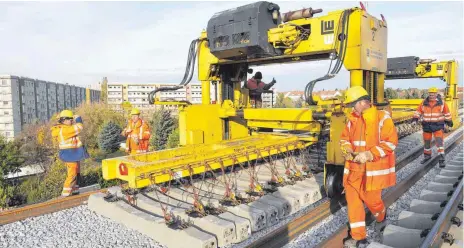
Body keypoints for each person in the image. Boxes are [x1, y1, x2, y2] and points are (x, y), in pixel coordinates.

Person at [339, 86, 398, 248]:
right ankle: (359, 238)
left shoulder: (382, 118)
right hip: (353, 171)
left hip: (372, 172)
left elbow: (391, 143)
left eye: (353, 104)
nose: (352, 108)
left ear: (364, 102)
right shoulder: (352, 120)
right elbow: (344, 139)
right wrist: (347, 149)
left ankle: (381, 217)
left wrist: (369, 154)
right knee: (354, 204)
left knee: (373, 202)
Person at [51, 110, 89, 197]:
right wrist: (78, 119)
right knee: (72, 173)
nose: (72, 121)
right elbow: (79, 127)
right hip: (70, 154)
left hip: (72, 154)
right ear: (64, 120)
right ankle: (66, 193)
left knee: (76, 171)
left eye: (72, 119)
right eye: (70, 119)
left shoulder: (64, 128)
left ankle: (74, 189)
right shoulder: (64, 130)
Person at [413, 87, 453, 167]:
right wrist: (415, 119)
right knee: (427, 143)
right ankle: (427, 157)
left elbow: (447, 112)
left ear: (436, 94)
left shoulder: (442, 103)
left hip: (437, 126)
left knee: (439, 143)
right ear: (428, 94)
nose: (431, 95)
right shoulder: (424, 102)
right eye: (430, 94)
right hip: (427, 126)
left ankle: (441, 160)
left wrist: (449, 121)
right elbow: (418, 111)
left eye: (433, 94)